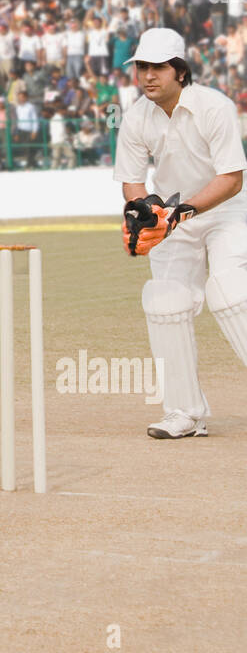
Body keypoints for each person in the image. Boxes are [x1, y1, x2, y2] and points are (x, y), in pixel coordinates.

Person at [114, 28, 247, 439]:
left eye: (157, 67)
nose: (148, 75)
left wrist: (182, 212)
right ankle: (185, 413)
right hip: (173, 216)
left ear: (180, 71)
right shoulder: (136, 117)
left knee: (230, 291)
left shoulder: (214, 107)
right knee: (164, 301)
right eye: (141, 67)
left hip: (227, 210)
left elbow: (232, 179)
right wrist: (142, 214)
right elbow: (132, 181)